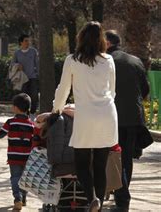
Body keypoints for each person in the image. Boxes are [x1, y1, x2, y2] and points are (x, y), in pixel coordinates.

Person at [52, 21, 118, 212]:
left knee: (81, 164)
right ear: (101, 39)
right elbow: (112, 91)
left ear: (81, 37)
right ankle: (100, 204)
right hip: (107, 114)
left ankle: (92, 199)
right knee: (100, 164)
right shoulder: (108, 60)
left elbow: (63, 89)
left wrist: (57, 110)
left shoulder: (73, 60)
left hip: (86, 116)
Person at [105, 30, 150, 211]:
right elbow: (145, 89)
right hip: (134, 117)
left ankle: (121, 197)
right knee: (126, 159)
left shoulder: (104, 61)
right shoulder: (135, 61)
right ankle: (121, 194)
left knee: (110, 156)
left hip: (111, 117)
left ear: (107, 43)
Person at [0, 93, 33, 210]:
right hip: (27, 158)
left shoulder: (11, 122)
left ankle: (17, 198)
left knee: (15, 177)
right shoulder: (31, 125)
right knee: (25, 178)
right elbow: (33, 142)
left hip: (14, 157)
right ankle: (24, 197)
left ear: (15, 107)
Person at [12, 34, 39, 118]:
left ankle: (32, 113)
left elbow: (37, 63)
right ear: (21, 42)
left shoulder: (33, 51)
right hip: (22, 79)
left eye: (28, 41)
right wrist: (17, 65)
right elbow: (12, 64)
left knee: (34, 96)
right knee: (23, 97)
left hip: (32, 77)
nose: (28, 42)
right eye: (26, 41)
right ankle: (24, 114)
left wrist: (37, 73)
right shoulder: (17, 53)